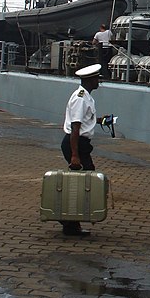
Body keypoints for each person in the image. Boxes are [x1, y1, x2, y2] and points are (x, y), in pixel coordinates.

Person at [60, 63, 108, 236]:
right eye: (96, 78)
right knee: (84, 183)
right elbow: (75, 128)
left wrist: (101, 120)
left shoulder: (86, 96)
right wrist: (75, 155)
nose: (98, 81)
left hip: (80, 143)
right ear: (90, 80)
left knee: (82, 183)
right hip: (76, 144)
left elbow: (85, 121)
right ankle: (67, 221)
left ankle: (71, 224)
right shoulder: (81, 98)